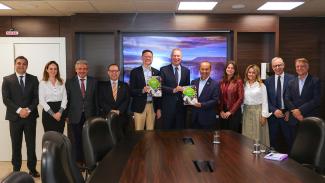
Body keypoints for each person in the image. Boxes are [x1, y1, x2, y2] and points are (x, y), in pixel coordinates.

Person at [2, 56, 40, 177]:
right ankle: (16, 169)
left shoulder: (34, 79)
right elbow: (6, 99)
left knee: (31, 144)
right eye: (19, 63)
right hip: (15, 118)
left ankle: (32, 169)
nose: (21, 65)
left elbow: (36, 98)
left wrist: (28, 110)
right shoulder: (7, 80)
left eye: (24, 64)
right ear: (15, 64)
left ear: (27, 66)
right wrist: (19, 110)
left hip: (30, 117)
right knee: (16, 144)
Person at [65, 59, 97, 166]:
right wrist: (67, 115)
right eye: (79, 69)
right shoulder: (69, 82)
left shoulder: (94, 81)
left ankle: (89, 161)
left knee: (89, 139)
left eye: (84, 69)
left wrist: (96, 116)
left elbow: (96, 100)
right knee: (77, 140)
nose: (82, 71)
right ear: (75, 69)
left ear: (87, 70)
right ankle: (79, 161)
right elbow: (67, 100)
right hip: (75, 116)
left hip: (90, 115)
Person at [284, 58, 320, 147]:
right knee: (293, 144)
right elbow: (286, 99)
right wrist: (294, 111)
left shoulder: (315, 81)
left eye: (302, 66)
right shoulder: (291, 82)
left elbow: (316, 100)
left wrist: (299, 111)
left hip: (308, 118)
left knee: (308, 145)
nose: (299, 68)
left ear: (307, 67)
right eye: (297, 66)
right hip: (293, 120)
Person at [264, 57, 294, 151]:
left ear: (283, 65)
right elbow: (265, 99)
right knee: (274, 142)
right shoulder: (268, 81)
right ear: (272, 67)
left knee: (289, 141)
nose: (277, 67)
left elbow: (295, 98)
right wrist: (274, 110)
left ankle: (291, 164)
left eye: (279, 65)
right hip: (273, 116)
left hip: (287, 115)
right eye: (275, 66)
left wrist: (290, 111)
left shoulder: (292, 79)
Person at [130, 50, 161, 130]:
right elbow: (131, 91)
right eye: (146, 56)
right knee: (139, 131)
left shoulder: (157, 72)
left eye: (150, 57)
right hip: (139, 106)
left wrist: (158, 109)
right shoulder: (135, 72)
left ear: (152, 58)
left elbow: (159, 94)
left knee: (150, 133)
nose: (148, 58)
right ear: (142, 58)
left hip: (152, 106)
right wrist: (142, 90)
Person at [160, 48, 190, 129]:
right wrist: (173, 90)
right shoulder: (163, 69)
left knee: (180, 133)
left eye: (178, 56)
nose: (176, 58)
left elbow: (187, 87)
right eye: (174, 55)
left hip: (181, 108)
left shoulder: (186, 71)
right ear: (171, 57)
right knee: (167, 133)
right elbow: (160, 86)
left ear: (181, 57)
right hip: (168, 107)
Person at [242, 64, 271, 146]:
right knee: (247, 135)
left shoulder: (261, 86)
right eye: (249, 72)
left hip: (258, 112)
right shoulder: (244, 85)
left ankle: (259, 155)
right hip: (246, 112)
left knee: (257, 135)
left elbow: (265, 101)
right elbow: (242, 101)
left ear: (257, 74)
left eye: (253, 72)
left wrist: (264, 116)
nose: (251, 74)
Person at [98, 64, 130, 134]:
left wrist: (119, 111)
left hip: (122, 117)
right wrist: (110, 110)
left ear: (119, 72)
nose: (114, 73)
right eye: (112, 71)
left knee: (123, 140)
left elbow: (127, 100)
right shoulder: (102, 86)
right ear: (108, 72)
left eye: (116, 71)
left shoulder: (125, 85)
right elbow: (101, 101)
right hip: (107, 117)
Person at [39, 61, 67, 133]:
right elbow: (41, 100)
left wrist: (60, 113)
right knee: (50, 138)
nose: (53, 71)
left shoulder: (61, 81)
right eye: (51, 69)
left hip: (60, 111)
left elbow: (65, 98)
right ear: (47, 69)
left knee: (60, 137)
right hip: (48, 112)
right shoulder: (42, 83)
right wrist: (53, 114)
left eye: (55, 69)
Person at [191, 61, 219, 129]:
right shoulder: (193, 82)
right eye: (202, 69)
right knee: (194, 138)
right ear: (199, 69)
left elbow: (215, 100)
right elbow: (191, 97)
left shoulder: (215, 84)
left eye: (206, 69)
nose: (204, 71)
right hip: (194, 118)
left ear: (210, 70)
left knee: (206, 139)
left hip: (207, 119)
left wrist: (202, 105)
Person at [218, 61, 244, 133]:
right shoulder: (221, 81)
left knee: (232, 136)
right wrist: (221, 111)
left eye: (232, 68)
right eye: (228, 67)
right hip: (223, 113)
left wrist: (230, 112)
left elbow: (241, 98)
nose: (230, 69)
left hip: (234, 113)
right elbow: (219, 97)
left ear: (235, 70)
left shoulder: (238, 81)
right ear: (225, 69)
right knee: (223, 134)